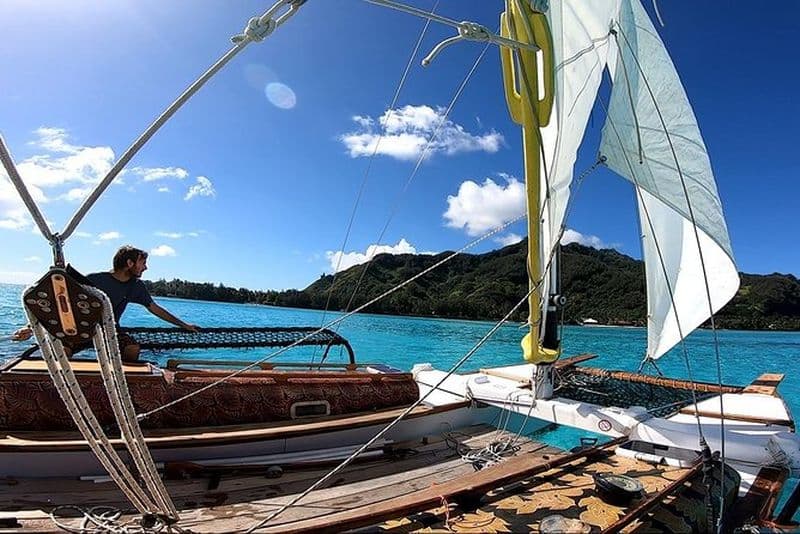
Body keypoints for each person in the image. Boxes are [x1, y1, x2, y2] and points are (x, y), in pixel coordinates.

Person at [12, 245, 199, 362]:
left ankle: (119, 384)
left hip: (110, 330)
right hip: (81, 328)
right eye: (143, 263)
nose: (146, 267)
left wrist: (184, 325)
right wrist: (29, 328)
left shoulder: (136, 286)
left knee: (132, 349)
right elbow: (57, 302)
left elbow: (155, 308)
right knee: (62, 350)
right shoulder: (94, 280)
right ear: (129, 263)